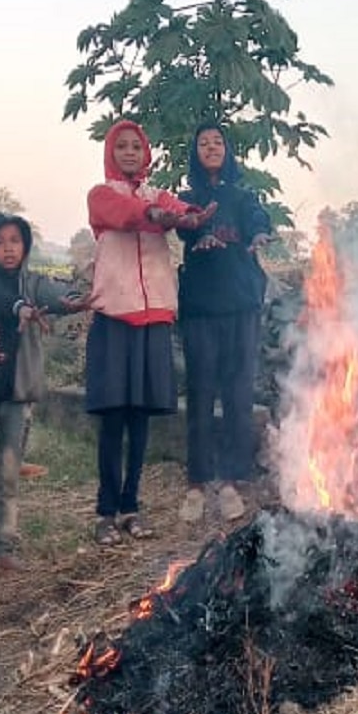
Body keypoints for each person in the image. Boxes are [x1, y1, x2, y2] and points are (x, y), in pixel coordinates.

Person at [83, 121, 214, 545]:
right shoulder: (101, 196)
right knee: (113, 418)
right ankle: (106, 510)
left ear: (146, 154)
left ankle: (130, 507)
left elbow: (177, 210)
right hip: (115, 317)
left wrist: (192, 219)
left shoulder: (158, 194)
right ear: (110, 154)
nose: (128, 153)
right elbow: (123, 216)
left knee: (140, 418)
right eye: (120, 146)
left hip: (154, 315)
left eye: (135, 146)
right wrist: (156, 216)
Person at [0, 211, 78, 589]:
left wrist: (74, 299)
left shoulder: (33, 281)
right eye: (0, 241)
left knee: (8, 477)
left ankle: (3, 547)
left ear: (25, 246)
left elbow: (52, 294)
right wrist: (21, 309)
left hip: (17, 397)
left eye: (15, 241)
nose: (8, 248)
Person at [176, 123, 273, 524]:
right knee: (200, 392)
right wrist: (198, 232)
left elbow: (258, 220)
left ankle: (232, 480)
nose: (211, 147)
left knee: (237, 392)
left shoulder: (243, 196)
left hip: (240, 305)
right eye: (203, 143)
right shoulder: (187, 198)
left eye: (218, 142)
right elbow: (182, 225)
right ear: (195, 153)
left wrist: (259, 236)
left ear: (228, 151)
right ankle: (198, 481)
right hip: (200, 306)